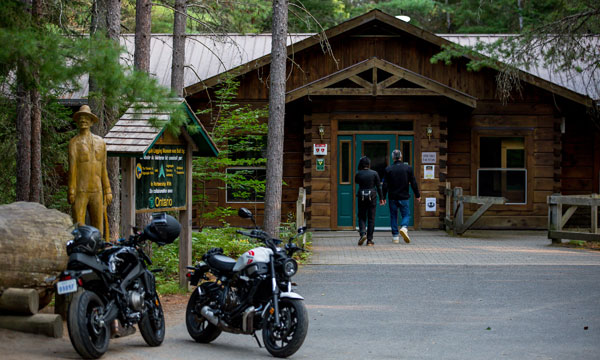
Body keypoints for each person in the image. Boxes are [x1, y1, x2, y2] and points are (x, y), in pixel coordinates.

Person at [68, 105, 112, 241]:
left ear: (92, 121)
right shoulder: (74, 143)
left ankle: (98, 254)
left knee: (99, 226)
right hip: (81, 190)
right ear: (77, 121)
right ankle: (80, 253)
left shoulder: (101, 142)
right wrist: (71, 190)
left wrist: (108, 190)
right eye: (80, 118)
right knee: (79, 227)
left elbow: (104, 167)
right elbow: (72, 168)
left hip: (97, 190)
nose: (83, 120)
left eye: (86, 118)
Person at [382, 149, 421, 244]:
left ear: (392, 158)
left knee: (393, 216)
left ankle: (395, 237)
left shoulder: (388, 169)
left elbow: (385, 185)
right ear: (401, 157)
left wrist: (383, 197)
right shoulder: (408, 168)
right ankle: (404, 227)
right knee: (406, 214)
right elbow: (413, 183)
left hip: (392, 197)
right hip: (404, 197)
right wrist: (417, 195)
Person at [354, 156, 384, 246]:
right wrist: (382, 198)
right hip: (372, 197)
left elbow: (356, 182)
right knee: (371, 218)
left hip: (362, 196)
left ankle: (363, 234)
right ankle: (370, 240)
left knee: (362, 216)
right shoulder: (374, 173)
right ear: (369, 164)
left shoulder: (358, 174)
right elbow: (379, 186)